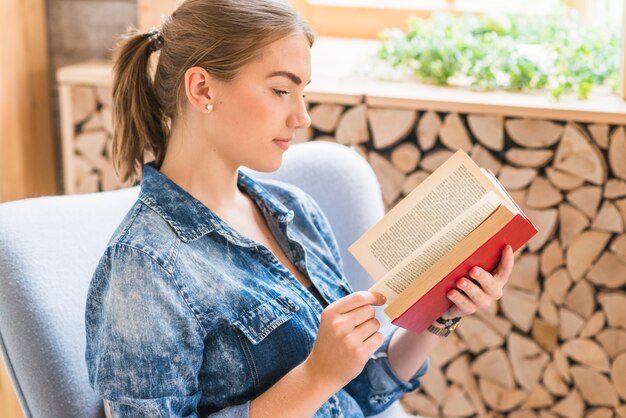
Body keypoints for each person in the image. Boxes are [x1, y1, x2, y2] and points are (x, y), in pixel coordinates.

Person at [85, 0, 515, 416]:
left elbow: (360, 392)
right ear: (202, 88)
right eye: (281, 90)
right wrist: (315, 377)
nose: (302, 116)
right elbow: (325, 381)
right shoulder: (145, 266)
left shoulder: (294, 212)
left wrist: (440, 311)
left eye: (302, 92)